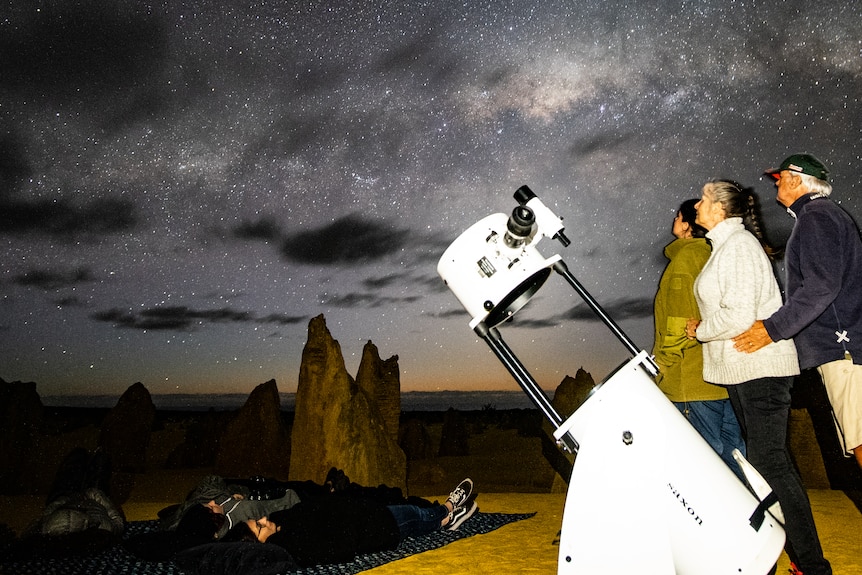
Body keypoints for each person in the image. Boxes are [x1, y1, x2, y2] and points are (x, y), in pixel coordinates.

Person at [685, 179, 831, 575]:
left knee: (772, 464)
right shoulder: (725, 247)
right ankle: (799, 559)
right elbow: (732, 310)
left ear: (720, 210)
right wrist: (708, 324)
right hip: (746, 371)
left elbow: (738, 315)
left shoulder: (740, 247)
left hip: (761, 371)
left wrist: (700, 330)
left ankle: (812, 566)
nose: (696, 205)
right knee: (771, 464)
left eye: (703, 199)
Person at [733, 153, 862, 470]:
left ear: (794, 179)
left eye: (778, 178)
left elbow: (821, 287)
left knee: (860, 439)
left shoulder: (815, 217)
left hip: (844, 348)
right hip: (847, 345)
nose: (776, 185)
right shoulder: (824, 215)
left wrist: (771, 329)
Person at [652, 199, 746, 479]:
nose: (674, 220)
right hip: (722, 382)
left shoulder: (684, 260)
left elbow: (679, 323)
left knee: (702, 466)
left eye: (677, 215)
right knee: (737, 460)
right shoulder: (715, 256)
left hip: (690, 384)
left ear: (687, 225)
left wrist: (662, 367)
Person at [237, 478, 478, 567]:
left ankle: (449, 518)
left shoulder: (284, 522)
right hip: (377, 528)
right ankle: (448, 508)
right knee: (416, 515)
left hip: (369, 514)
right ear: (260, 544)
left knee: (415, 520)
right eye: (258, 526)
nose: (262, 519)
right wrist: (354, 524)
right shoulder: (293, 545)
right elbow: (338, 549)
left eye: (256, 520)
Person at [15, 447, 125, 557]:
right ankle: (96, 457)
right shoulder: (103, 528)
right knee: (99, 476)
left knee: (66, 482)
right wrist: (95, 495)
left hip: (64, 498)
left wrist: (65, 499)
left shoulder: (45, 528)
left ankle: (79, 459)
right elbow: (116, 520)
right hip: (93, 498)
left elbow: (48, 511)